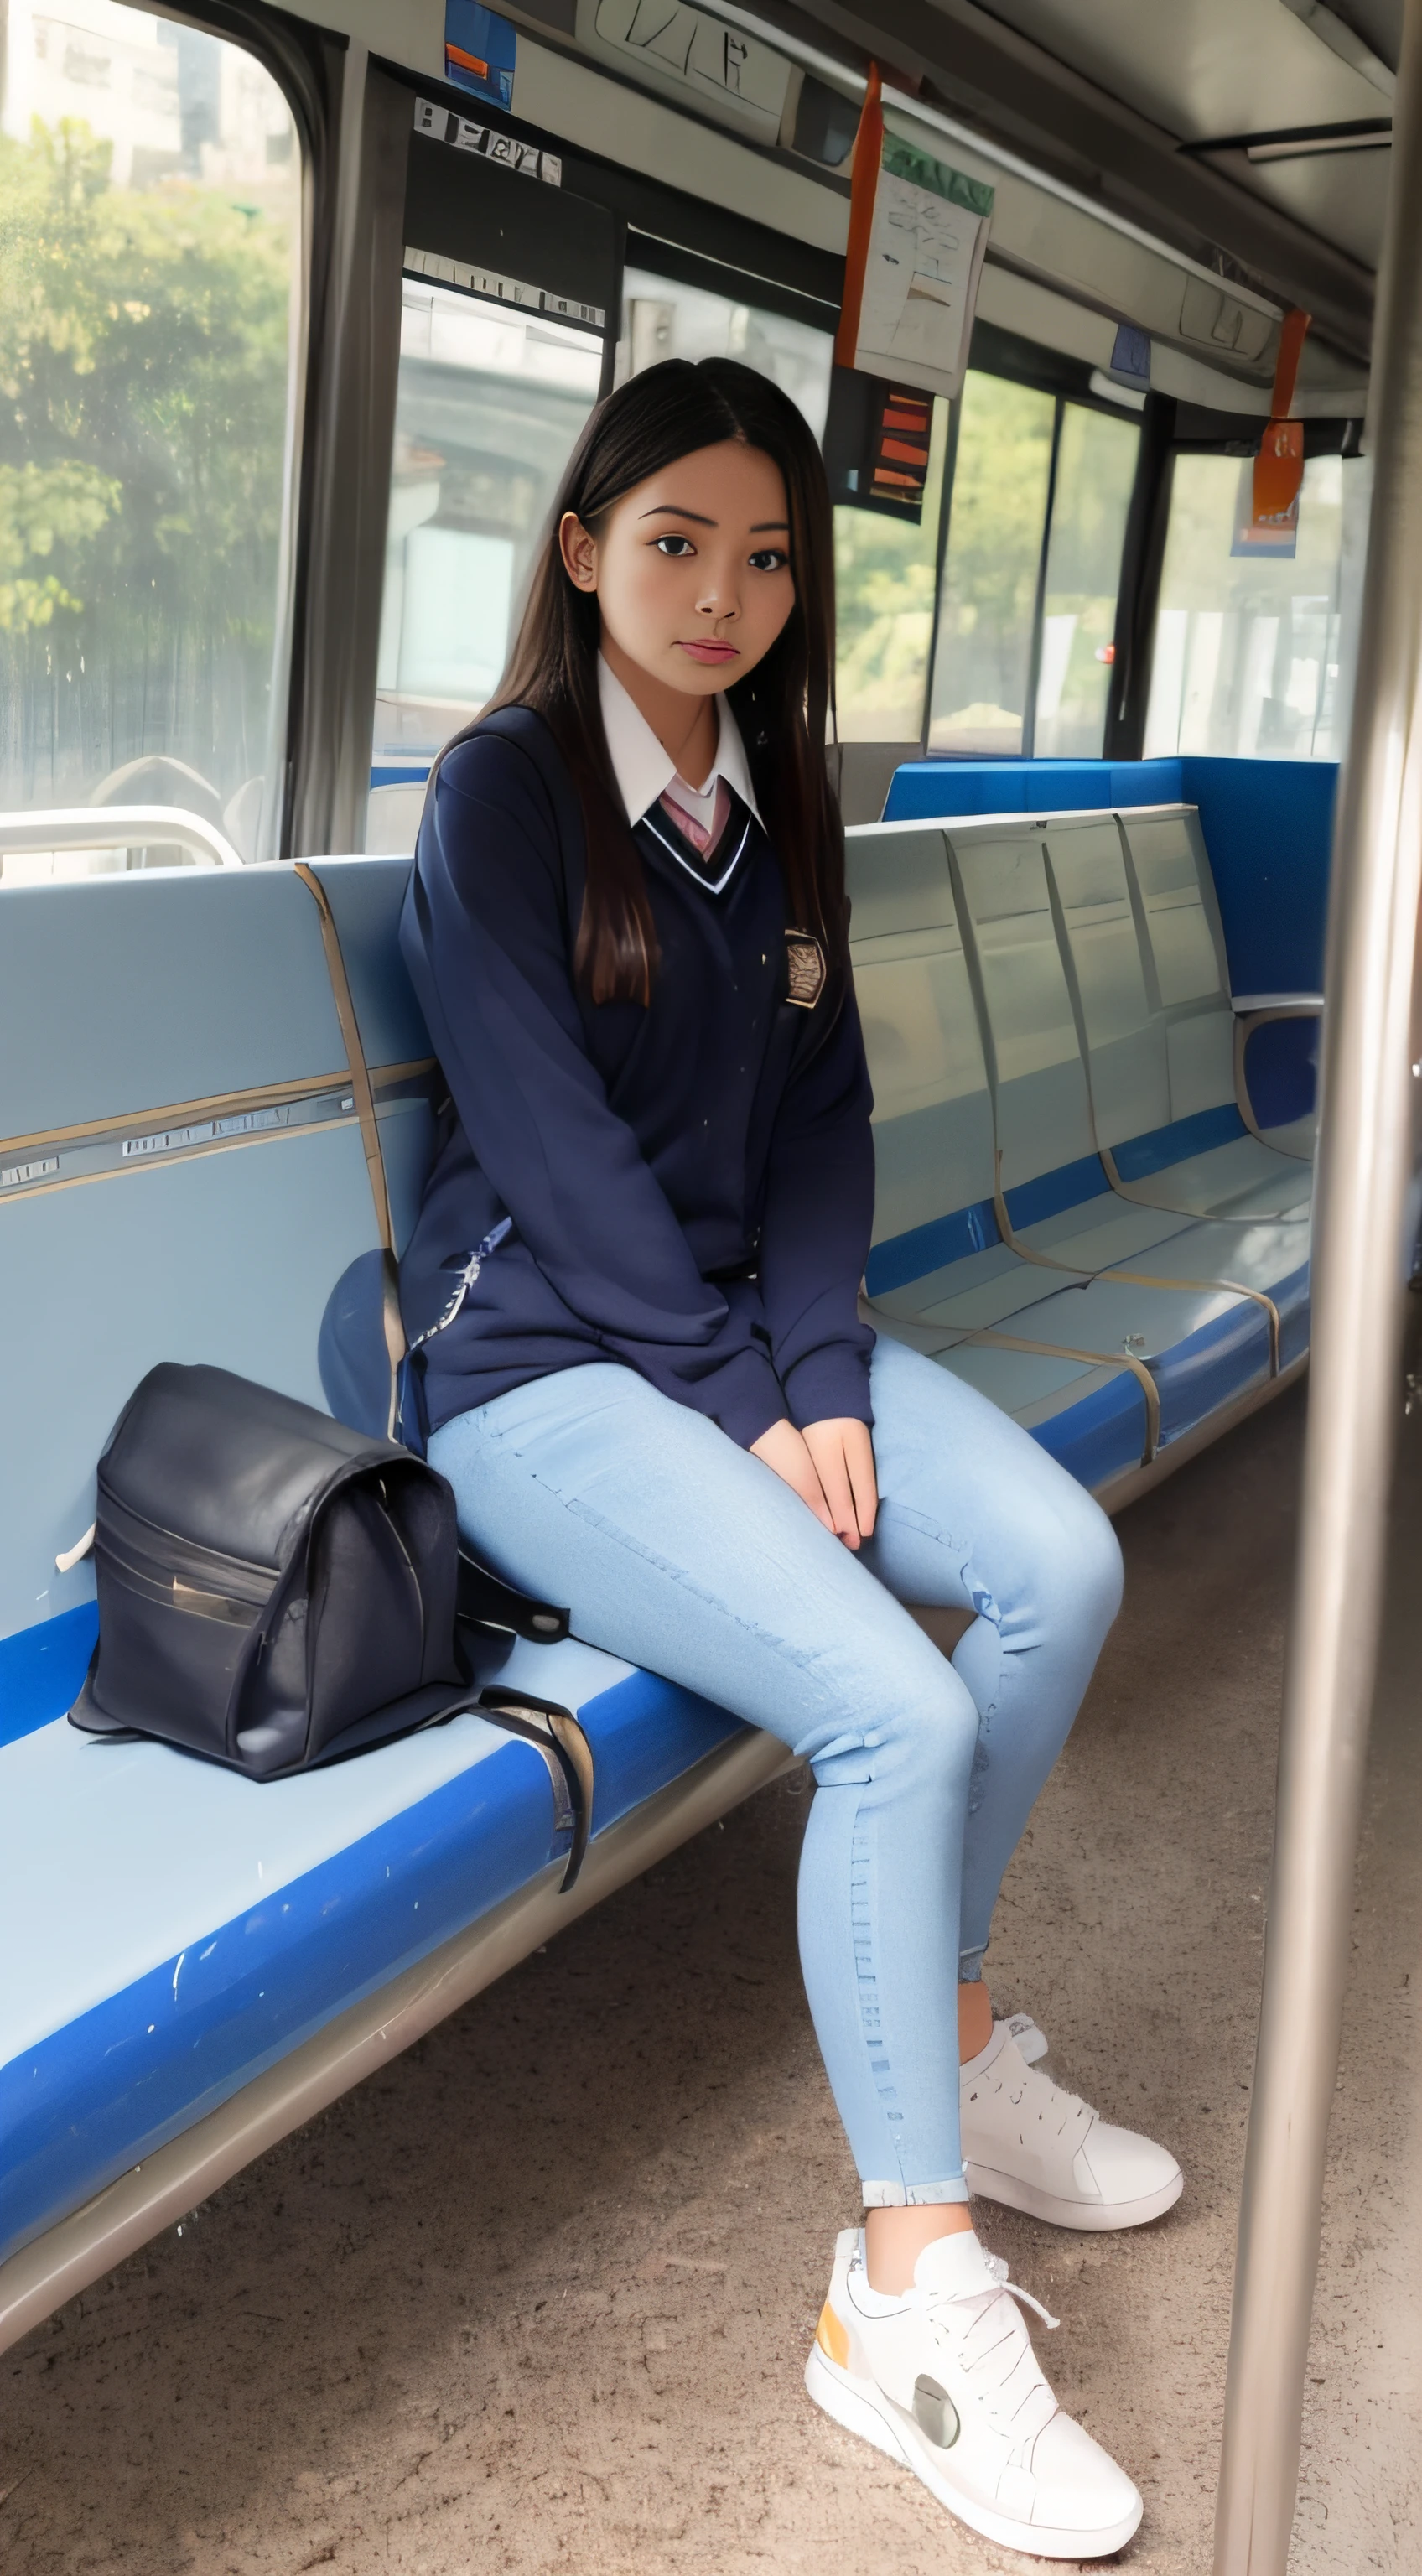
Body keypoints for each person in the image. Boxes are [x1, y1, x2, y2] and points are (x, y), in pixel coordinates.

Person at [398, 356, 1180, 2559]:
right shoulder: (504, 800)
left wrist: (821, 1373)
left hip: (749, 1341)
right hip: (543, 1378)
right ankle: (905, 2291)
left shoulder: (783, 796)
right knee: (894, 1713)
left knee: (1059, 1562)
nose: (723, 593)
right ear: (580, 550)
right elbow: (552, 1162)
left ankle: (946, 2027)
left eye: (766, 556)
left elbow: (823, 1133)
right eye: (675, 544)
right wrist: (743, 1409)